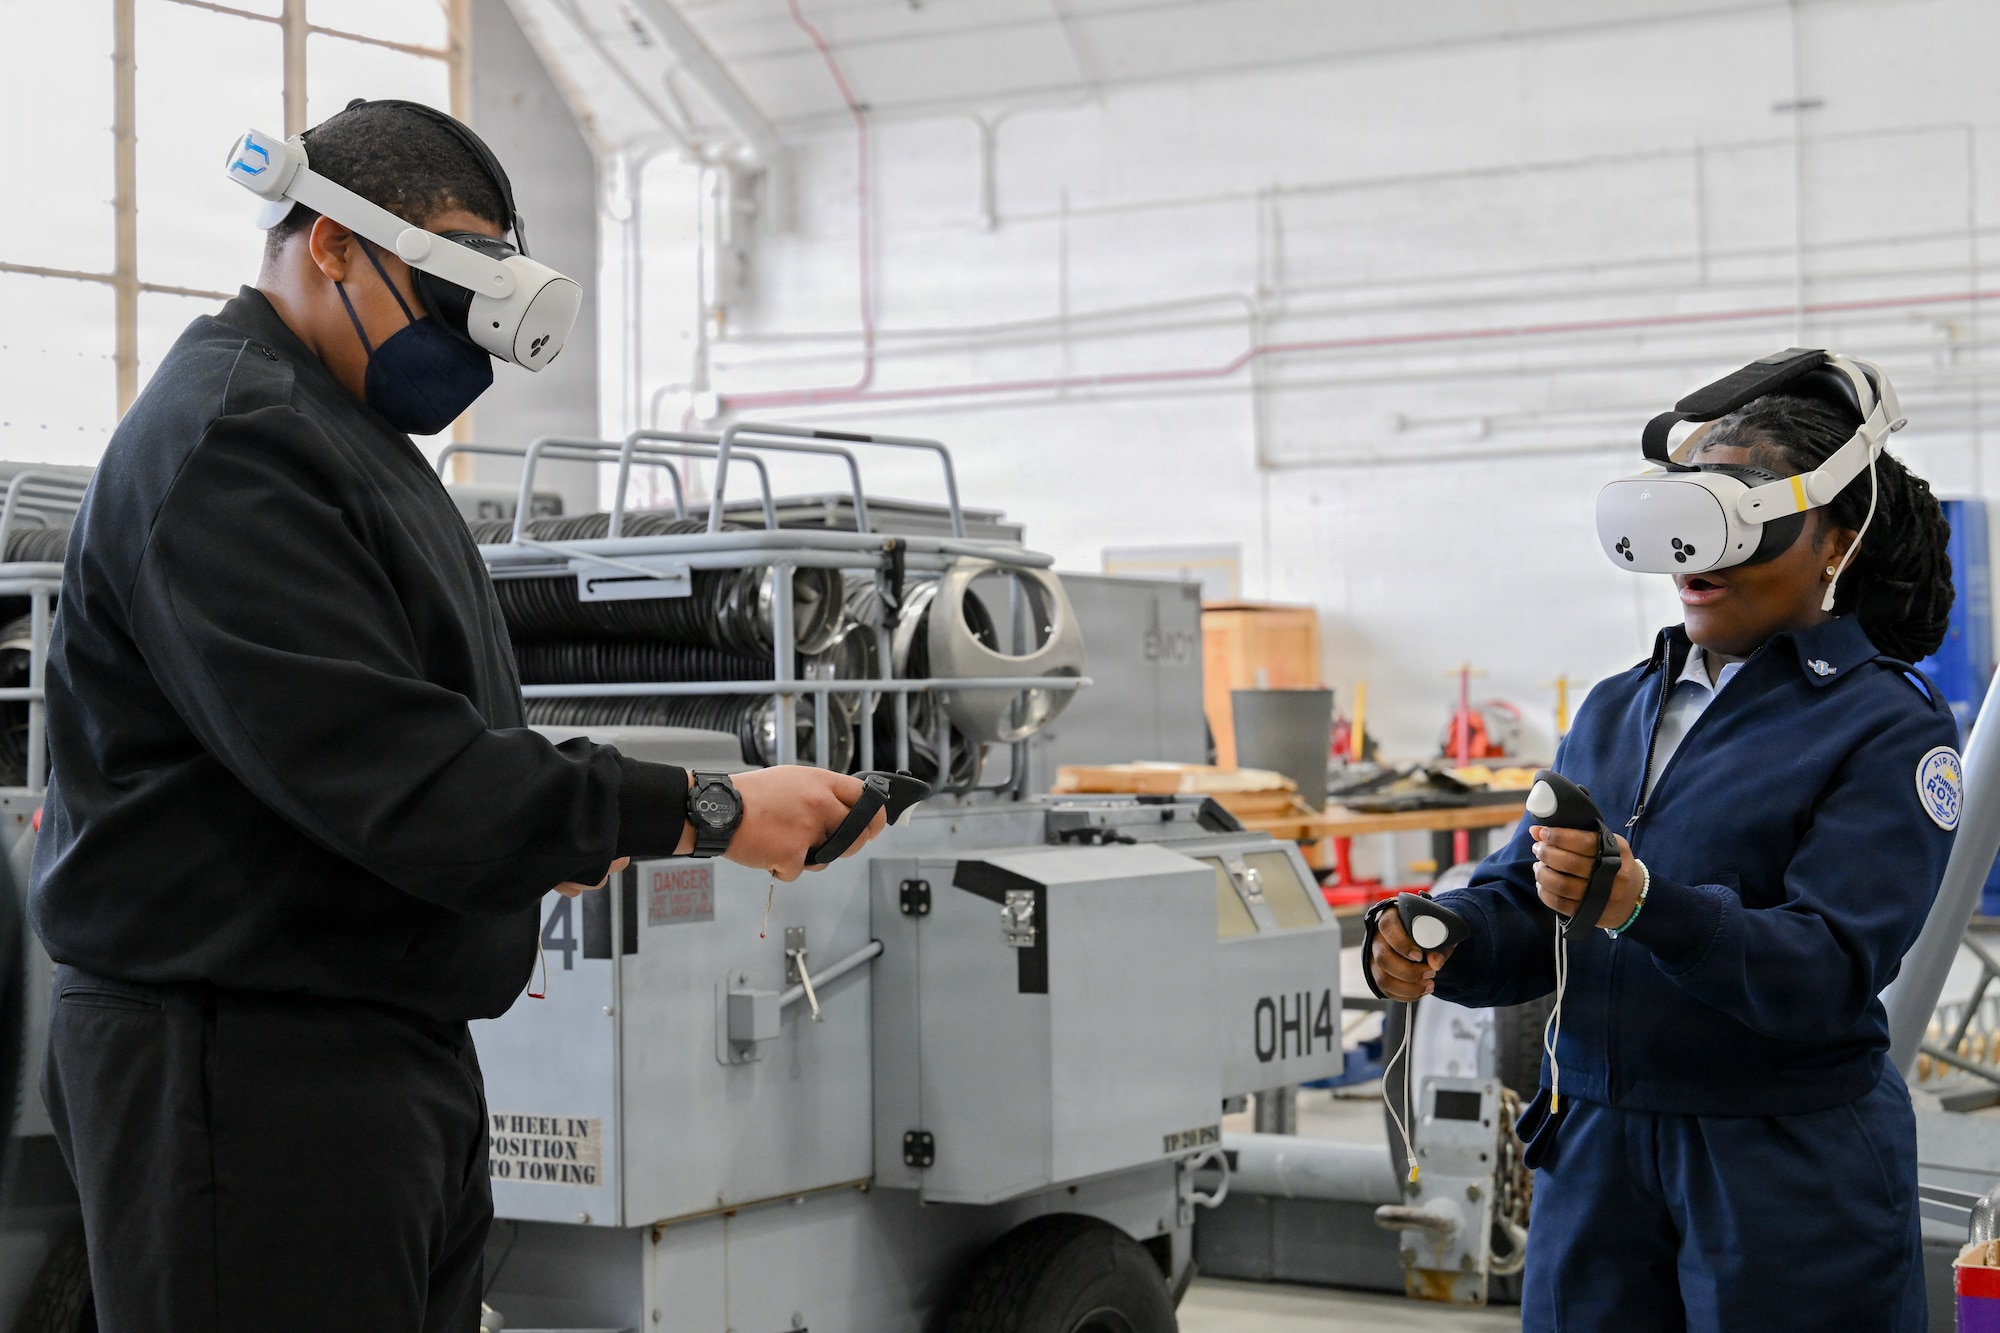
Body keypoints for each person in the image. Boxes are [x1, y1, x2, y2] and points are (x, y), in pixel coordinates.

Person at [29, 99, 883, 1332]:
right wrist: (704, 807)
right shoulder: (233, 446)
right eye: (445, 286)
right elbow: (395, 778)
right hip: (240, 1068)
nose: (465, 339)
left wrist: (540, 839)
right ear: (329, 242)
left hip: (366, 1052)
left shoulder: (345, 438)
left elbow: (412, 753)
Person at [1369, 374, 1959, 1331]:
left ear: (1835, 543)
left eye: (1737, 521)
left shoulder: (1886, 725)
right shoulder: (1617, 707)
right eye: (1684, 519)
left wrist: (1645, 904)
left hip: (1779, 1163)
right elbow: (1532, 903)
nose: (1695, 558)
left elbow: (1824, 967)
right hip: (1596, 1151)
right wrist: (1443, 937)